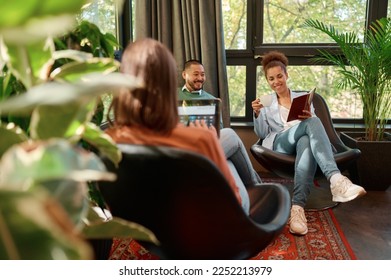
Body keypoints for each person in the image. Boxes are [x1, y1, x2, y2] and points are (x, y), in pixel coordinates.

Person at [104, 38, 249, 213]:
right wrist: (209, 140)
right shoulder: (200, 139)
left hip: (152, 225)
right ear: (171, 80)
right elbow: (235, 203)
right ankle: (256, 186)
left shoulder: (110, 140)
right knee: (229, 153)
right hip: (204, 223)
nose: (200, 78)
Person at [251, 50, 366, 236]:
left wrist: (309, 116)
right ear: (268, 81)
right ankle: (336, 179)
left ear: (286, 75)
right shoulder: (265, 103)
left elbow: (313, 126)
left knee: (306, 138)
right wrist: (257, 114)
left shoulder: (302, 97)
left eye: (279, 76)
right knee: (311, 123)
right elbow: (262, 133)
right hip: (282, 143)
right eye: (271, 79)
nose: (276, 82)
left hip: (305, 142)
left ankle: (297, 209)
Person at [179, 59, 263, 188]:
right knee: (230, 137)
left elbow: (220, 130)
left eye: (203, 74)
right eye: (196, 74)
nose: (200, 78)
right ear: (185, 75)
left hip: (207, 143)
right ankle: (257, 186)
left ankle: (255, 189)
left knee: (229, 157)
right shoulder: (172, 95)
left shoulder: (211, 99)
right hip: (185, 147)